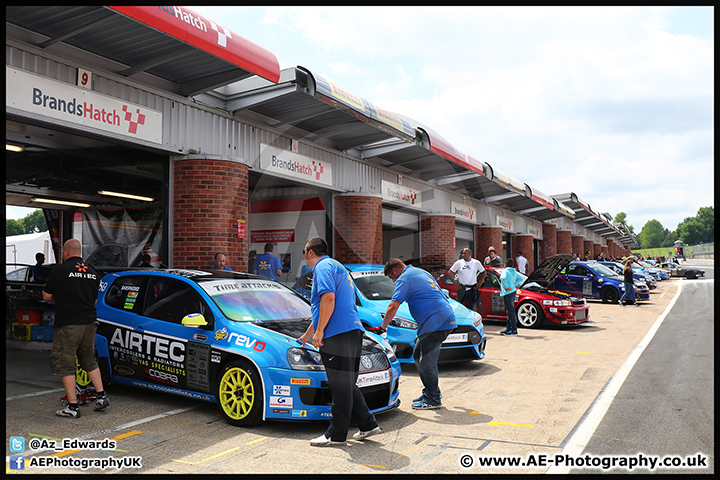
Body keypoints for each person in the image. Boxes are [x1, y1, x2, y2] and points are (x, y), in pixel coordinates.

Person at [298, 237, 381, 446]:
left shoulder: (322, 267)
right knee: (346, 384)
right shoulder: (337, 266)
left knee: (340, 385)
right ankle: (368, 424)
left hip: (337, 334)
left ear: (310, 252)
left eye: (303, 251)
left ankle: (335, 435)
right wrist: (309, 334)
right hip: (350, 331)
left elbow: (328, 299)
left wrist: (320, 332)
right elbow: (322, 307)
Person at [376, 258, 456, 410]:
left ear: (395, 271)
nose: (393, 281)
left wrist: (383, 327)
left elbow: (393, 306)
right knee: (418, 355)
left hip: (436, 322)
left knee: (426, 361)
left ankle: (433, 399)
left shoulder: (404, 278)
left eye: (392, 278)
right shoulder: (419, 272)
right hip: (441, 319)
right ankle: (430, 393)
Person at [42, 239, 109, 418]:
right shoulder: (94, 273)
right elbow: (94, 301)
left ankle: (72, 406)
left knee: (66, 363)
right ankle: (102, 396)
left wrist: (63, 295)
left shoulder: (59, 270)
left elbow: (47, 296)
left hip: (69, 324)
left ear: (65, 252)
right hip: (89, 323)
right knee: (89, 360)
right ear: (80, 252)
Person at [499, 257, 525, 336]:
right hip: (513, 291)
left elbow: (502, 278)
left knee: (511, 312)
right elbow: (520, 278)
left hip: (507, 293)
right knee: (510, 311)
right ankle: (509, 328)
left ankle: (514, 330)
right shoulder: (514, 271)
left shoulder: (505, 271)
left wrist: (506, 287)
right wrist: (514, 285)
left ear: (505, 264)